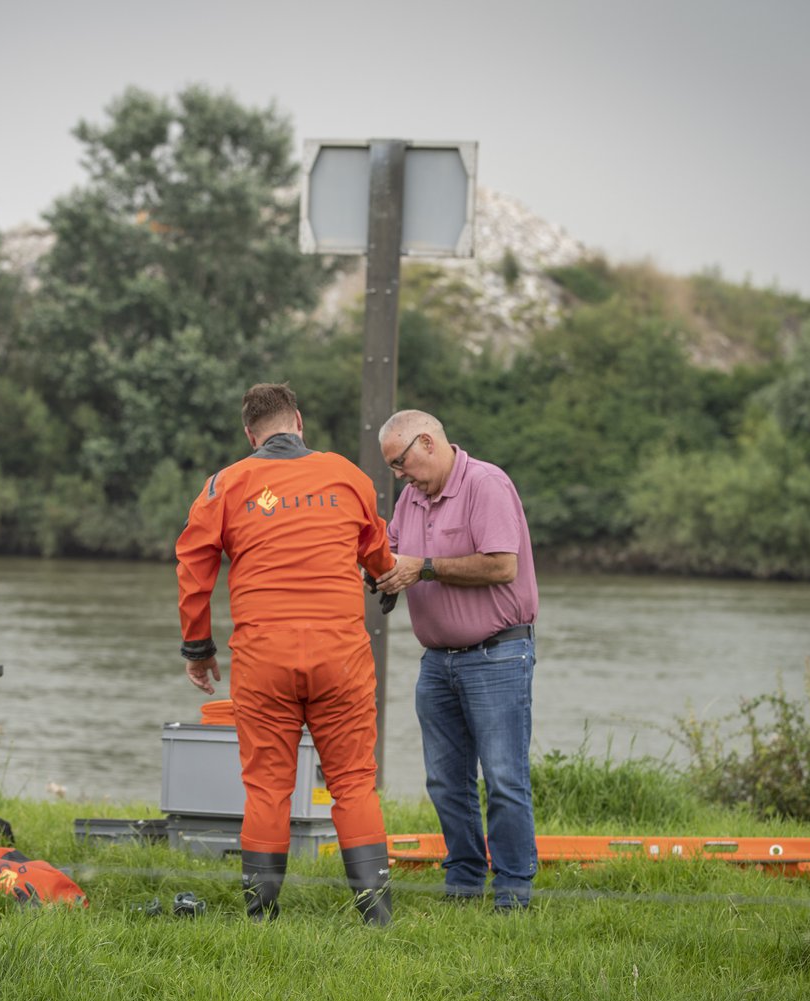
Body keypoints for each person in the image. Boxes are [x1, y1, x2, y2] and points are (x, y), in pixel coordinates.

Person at [175, 383, 410, 926]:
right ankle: (377, 918)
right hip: (341, 656)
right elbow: (376, 547)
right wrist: (384, 577)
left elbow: (193, 567)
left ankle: (262, 918)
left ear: (249, 434)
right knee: (352, 781)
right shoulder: (349, 476)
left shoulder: (225, 485)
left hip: (264, 659)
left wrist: (197, 647)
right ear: (299, 422)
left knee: (267, 785)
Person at [373, 410, 540, 912]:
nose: (399, 475)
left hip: (498, 654)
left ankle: (512, 893)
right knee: (446, 780)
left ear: (427, 442)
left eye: (401, 463)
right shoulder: (411, 498)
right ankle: (464, 883)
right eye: (393, 468)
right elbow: (394, 554)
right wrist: (379, 572)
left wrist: (421, 569)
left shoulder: (486, 484)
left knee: (505, 777)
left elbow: (500, 564)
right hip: (437, 661)